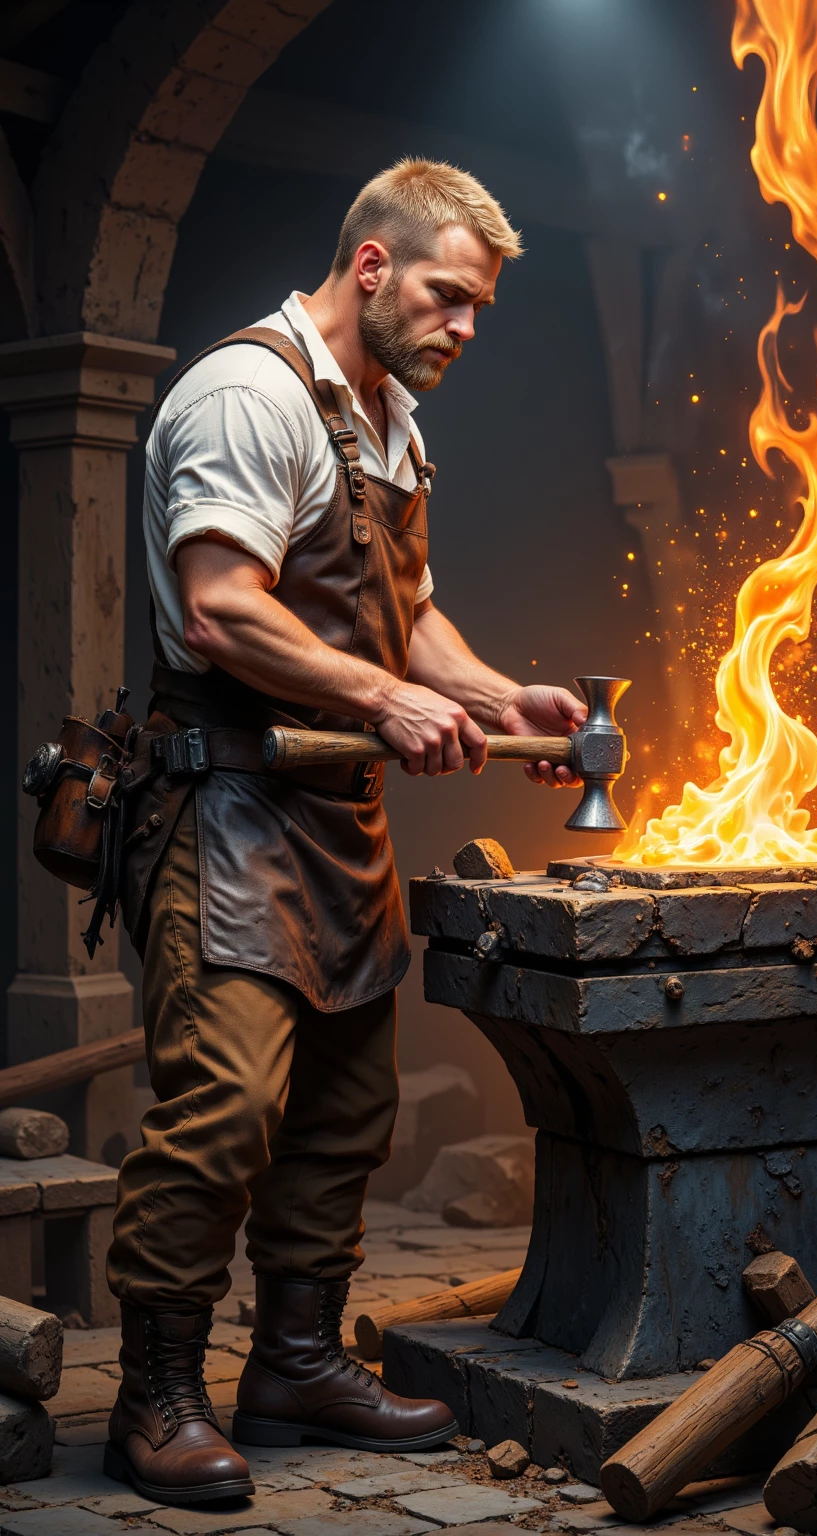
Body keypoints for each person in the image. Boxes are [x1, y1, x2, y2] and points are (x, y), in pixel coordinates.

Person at [103, 158, 587, 1505]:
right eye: (447, 296)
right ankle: (153, 1400)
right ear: (370, 265)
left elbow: (401, 602)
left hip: (338, 813)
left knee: (344, 1113)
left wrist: (496, 694)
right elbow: (221, 607)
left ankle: (297, 1362)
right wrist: (385, 697)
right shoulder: (248, 392)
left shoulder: (385, 417)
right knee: (227, 1114)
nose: (465, 327)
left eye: (480, 307)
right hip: (231, 805)